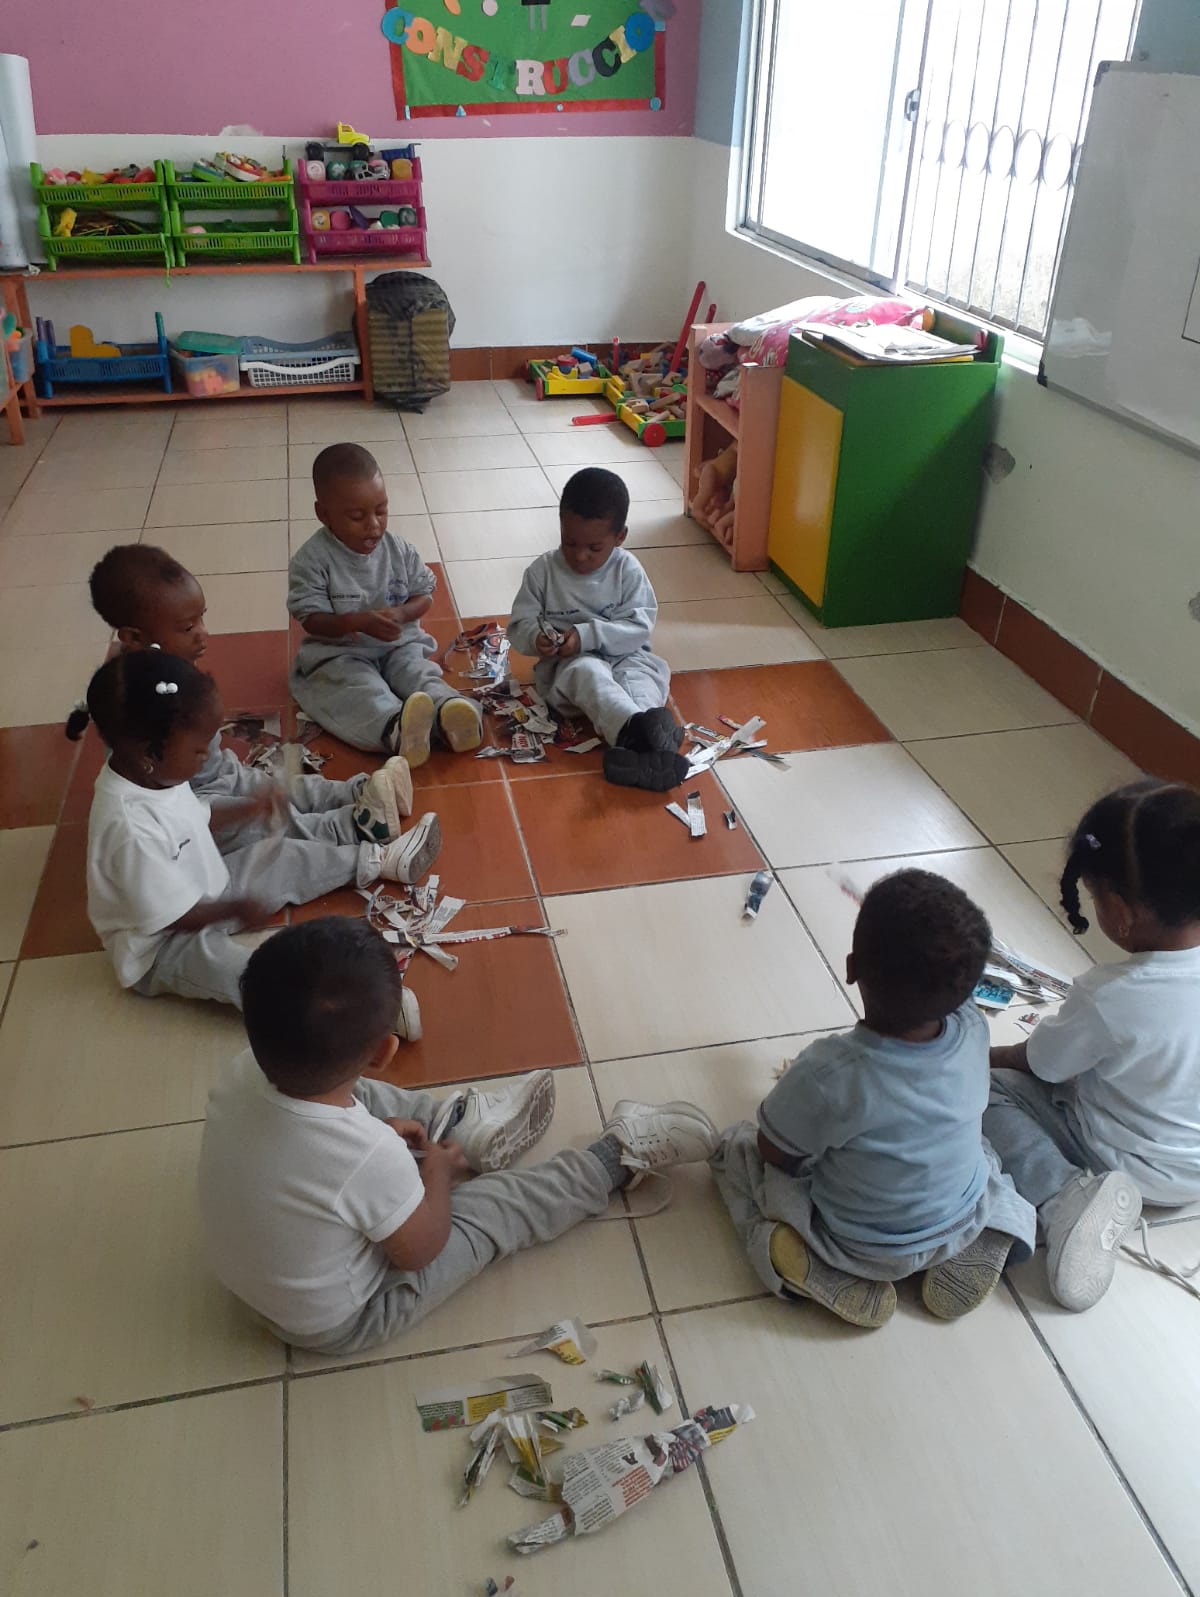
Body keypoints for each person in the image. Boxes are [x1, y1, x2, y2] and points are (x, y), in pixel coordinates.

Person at [198, 917, 721, 1355]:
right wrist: (438, 1176)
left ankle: (458, 1125)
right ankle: (612, 1161)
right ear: (385, 1051)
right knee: (488, 1213)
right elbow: (421, 1249)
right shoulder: (371, 1157)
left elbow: (319, 1150)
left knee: (347, 1094)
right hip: (339, 1321)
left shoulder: (241, 1069)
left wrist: (376, 1151)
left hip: (261, 1287)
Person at [711, 869, 1035, 1329]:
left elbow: (773, 1152)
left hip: (859, 1245)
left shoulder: (829, 1073)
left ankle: (810, 1263)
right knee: (979, 1149)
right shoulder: (973, 1028)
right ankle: (990, 1230)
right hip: (962, 1216)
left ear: (851, 968)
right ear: (965, 987)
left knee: (737, 1150)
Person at [79, 650, 439, 1014]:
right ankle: (351, 1014)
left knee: (283, 855)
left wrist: (248, 809)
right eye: (199, 751)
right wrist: (235, 907)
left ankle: (376, 859)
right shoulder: (129, 830)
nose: (206, 758)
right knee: (243, 971)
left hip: (201, 885)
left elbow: (197, 818)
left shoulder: (154, 774)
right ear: (148, 754)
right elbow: (171, 917)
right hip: (159, 944)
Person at [986, 780, 1200, 1312]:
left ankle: (1065, 1198)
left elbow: (1040, 1065)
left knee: (988, 1093)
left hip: (1126, 1160)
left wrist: (980, 1058)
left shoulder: (1112, 994)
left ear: (1120, 911)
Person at [81, 542, 413, 850]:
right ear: (134, 637)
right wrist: (238, 806)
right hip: (189, 801)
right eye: (188, 627)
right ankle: (352, 827)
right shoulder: (132, 696)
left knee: (275, 788)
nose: (204, 633)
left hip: (216, 773)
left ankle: (356, 792)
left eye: (202, 617)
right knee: (259, 823)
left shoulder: (164, 660)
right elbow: (167, 793)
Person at [288, 442, 482, 763]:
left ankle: (449, 711)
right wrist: (355, 622)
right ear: (324, 514)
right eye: (357, 516)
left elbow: (424, 595)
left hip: (398, 646)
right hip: (342, 652)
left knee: (417, 673)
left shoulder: (400, 550)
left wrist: (403, 613)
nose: (374, 525)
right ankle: (395, 728)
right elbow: (310, 618)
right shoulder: (311, 561)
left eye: (381, 511)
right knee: (358, 689)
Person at [506, 466, 687, 792]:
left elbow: (639, 626)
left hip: (627, 656)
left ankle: (639, 751)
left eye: (594, 548)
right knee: (589, 673)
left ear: (620, 537)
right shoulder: (542, 572)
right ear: (560, 525)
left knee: (641, 680)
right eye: (569, 542)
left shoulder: (628, 570)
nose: (580, 556)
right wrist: (536, 637)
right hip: (569, 667)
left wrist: (587, 635)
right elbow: (520, 624)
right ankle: (640, 737)